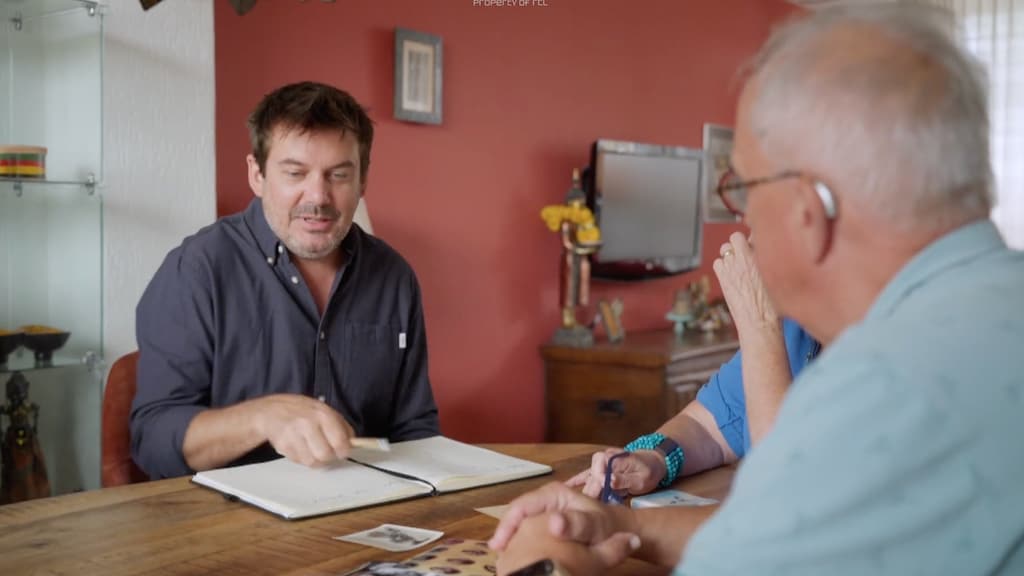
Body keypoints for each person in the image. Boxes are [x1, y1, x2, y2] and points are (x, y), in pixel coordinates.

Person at [492, 5, 1024, 575]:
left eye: (742, 189)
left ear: (807, 211)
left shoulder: (889, 385)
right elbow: (790, 527)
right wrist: (626, 526)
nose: (741, 220)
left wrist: (541, 559)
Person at [131, 81, 439, 479]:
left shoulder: (394, 277)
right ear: (257, 175)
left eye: (339, 175)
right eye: (295, 173)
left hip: (365, 517)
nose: (319, 197)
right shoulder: (196, 271)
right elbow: (153, 441)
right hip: (229, 526)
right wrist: (263, 417)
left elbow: (415, 431)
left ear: (363, 180)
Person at [566, 231, 819, 501]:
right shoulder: (794, 328)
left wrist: (758, 323)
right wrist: (654, 458)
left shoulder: (862, 349)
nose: (751, 236)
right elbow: (705, 426)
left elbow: (785, 491)